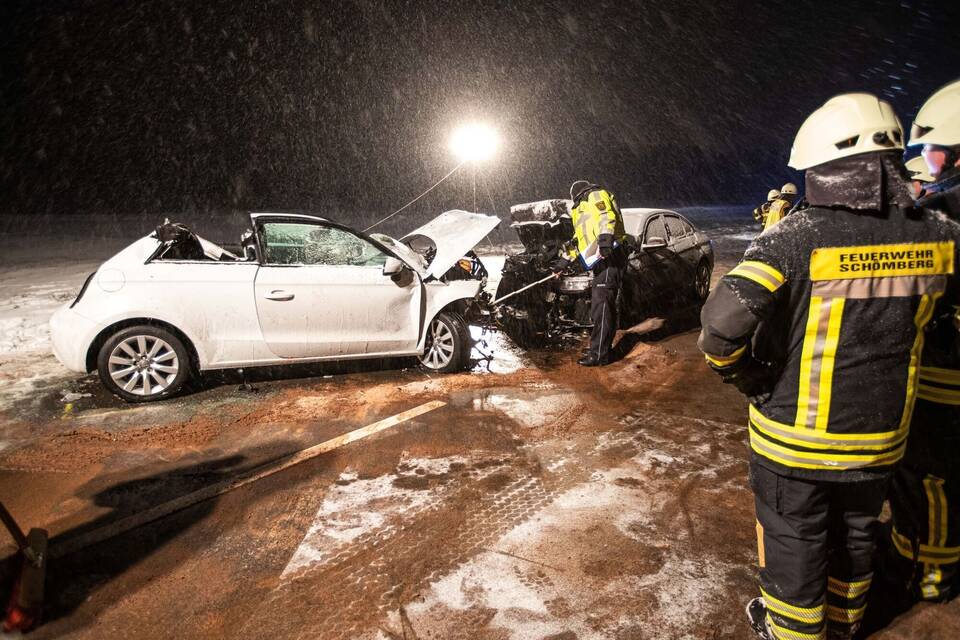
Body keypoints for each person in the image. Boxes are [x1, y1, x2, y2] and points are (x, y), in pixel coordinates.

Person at [698, 92, 960, 640]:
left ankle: (790, 633)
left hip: (795, 442)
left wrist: (749, 378)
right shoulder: (937, 233)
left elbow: (721, 329)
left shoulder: (796, 238)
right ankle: (844, 626)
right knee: (856, 540)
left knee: (794, 543)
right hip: (882, 438)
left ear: (825, 167)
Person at [885, 78, 960, 604]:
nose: (927, 159)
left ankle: (928, 571)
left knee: (929, 474)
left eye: (935, 147)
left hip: (945, 369)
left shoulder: (949, 212)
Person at [552, 180, 628, 366]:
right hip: (599, 259)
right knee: (600, 306)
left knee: (602, 306)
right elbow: (578, 241)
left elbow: (606, 216)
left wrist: (605, 242)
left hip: (610, 255)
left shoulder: (595, 195)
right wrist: (561, 265)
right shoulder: (579, 210)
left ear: (575, 194)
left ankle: (599, 355)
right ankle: (599, 348)